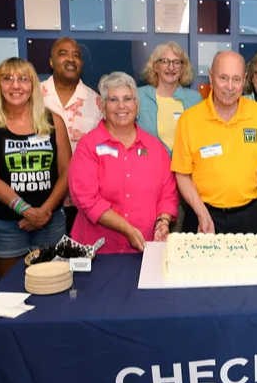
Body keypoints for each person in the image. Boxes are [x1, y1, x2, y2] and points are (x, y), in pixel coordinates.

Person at [171, 51, 257, 241]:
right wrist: (201, 212)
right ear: (210, 77)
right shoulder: (189, 120)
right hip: (202, 215)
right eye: (223, 78)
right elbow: (182, 174)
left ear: (245, 80)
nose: (230, 87)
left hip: (250, 218)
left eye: (236, 79)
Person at [0, 58, 71, 278]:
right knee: (11, 290)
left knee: (52, 286)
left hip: (50, 221)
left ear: (33, 86)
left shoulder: (53, 121)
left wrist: (44, 212)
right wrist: (26, 211)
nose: (15, 85)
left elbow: (67, 172)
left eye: (23, 79)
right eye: (7, 79)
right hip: (5, 225)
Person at [68, 72, 178, 253]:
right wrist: (127, 229)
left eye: (128, 98)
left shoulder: (155, 148)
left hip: (144, 249)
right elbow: (87, 199)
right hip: (97, 251)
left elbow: (168, 193)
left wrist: (162, 222)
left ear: (137, 105)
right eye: (113, 99)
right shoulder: (88, 146)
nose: (121, 106)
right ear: (103, 107)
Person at [41, 38, 101, 233]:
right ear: (51, 62)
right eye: (63, 53)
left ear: (82, 64)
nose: (70, 59)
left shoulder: (96, 101)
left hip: (83, 203)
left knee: (79, 262)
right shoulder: (33, 96)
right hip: (40, 200)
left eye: (76, 55)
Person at [137, 42, 202, 155]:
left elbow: (200, 137)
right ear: (155, 66)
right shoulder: (138, 96)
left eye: (176, 62)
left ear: (183, 68)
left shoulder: (195, 99)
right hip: (149, 168)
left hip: (184, 170)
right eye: (165, 61)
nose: (171, 67)